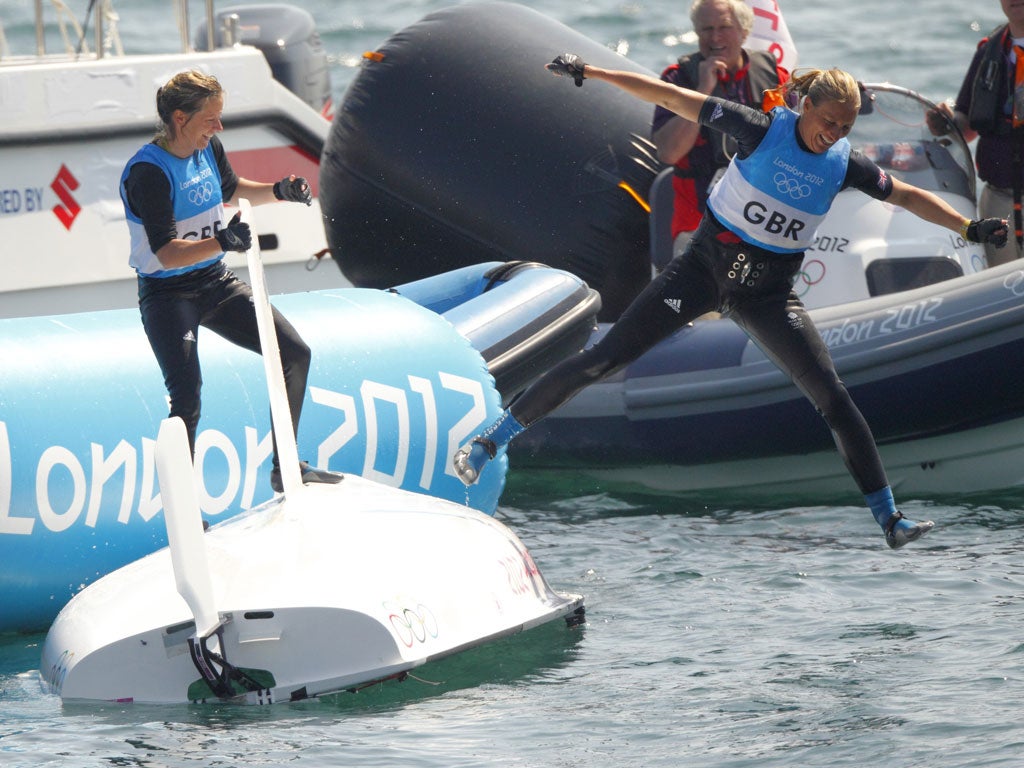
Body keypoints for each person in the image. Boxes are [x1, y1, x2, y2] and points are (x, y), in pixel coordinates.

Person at [453, 54, 1010, 550]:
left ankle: (890, 520)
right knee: (603, 359)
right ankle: (490, 441)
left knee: (833, 398)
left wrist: (968, 227)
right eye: (827, 122)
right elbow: (673, 97)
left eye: (845, 127)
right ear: (806, 106)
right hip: (699, 275)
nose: (833, 134)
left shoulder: (844, 164)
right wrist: (594, 72)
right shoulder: (760, 129)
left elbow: (907, 194)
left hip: (768, 296)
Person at [119, 69, 341, 494]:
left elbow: (231, 188)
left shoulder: (207, 148)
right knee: (187, 397)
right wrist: (222, 240)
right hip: (168, 295)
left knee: (294, 353)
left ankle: (286, 468)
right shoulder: (148, 172)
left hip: (215, 282)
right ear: (180, 118)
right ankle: (183, 505)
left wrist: (279, 191)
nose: (218, 127)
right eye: (210, 119)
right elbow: (167, 253)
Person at [654, 0, 789, 257]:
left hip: (762, 221)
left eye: (724, 27)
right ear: (697, 33)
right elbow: (668, 153)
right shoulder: (677, 79)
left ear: (744, 31)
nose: (715, 37)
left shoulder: (775, 76)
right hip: (698, 225)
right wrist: (702, 91)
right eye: (707, 29)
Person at [926, 0, 1024, 265]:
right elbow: (967, 125)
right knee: (1002, 282)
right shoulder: (989, 51)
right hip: (998, 198)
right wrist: (945, 121)